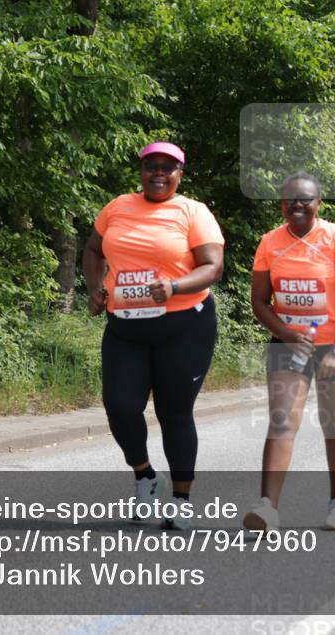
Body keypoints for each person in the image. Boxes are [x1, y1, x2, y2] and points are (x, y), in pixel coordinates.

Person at [83, 141, 224, 530]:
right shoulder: (117, 207)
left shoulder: (193, 211)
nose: (158, 173)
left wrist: (176, 286)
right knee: (120, 407)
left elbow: (213, 267)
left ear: (180, 173)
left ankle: (180, 499)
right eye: (151, 166)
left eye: (168, 167)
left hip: (185, 327)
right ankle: (144, 475)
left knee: (174, 413)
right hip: (125, 327)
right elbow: (92, 250)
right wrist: (94, 288)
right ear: (141, 170)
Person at [243, 171, 335, 532]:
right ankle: (267, 507)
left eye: (305, 199)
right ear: (281, 204)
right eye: (290, 199)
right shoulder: (269, 243)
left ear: (318, 204)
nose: (297, 205)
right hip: (289, 344)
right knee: (282, 420)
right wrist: (286, 333)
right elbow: (260, 301)